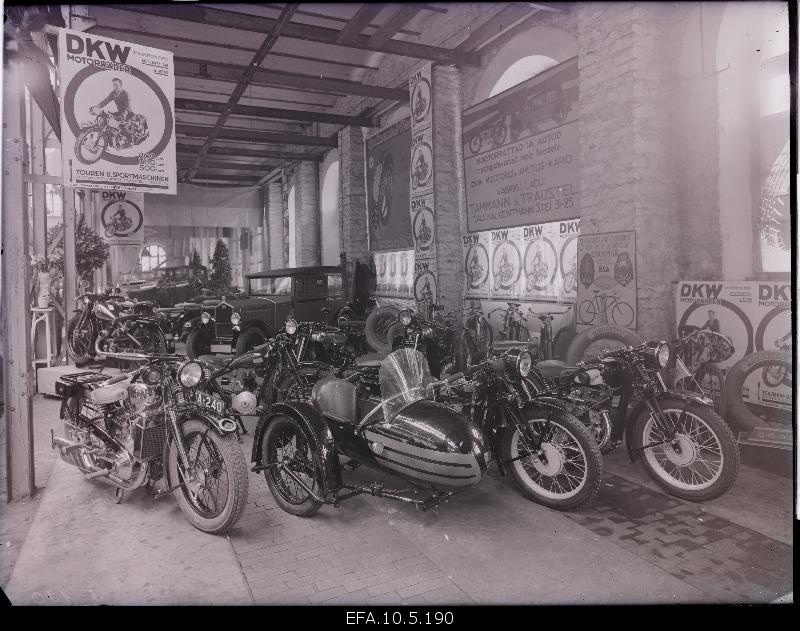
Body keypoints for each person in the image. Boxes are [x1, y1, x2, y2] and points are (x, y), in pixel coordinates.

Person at [92, 77, 133, 144]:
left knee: (124, 127)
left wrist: (122, 116)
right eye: (114, 85)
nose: (115, 87)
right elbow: (106, 100)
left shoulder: (125, 94)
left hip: (128, 113)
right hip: (120, 112)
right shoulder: (113, 93)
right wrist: (97, 106)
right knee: (107, 118)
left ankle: (130, 141)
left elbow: (126, 107)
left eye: (116, 85)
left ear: (121, 85)